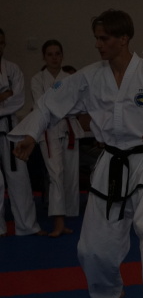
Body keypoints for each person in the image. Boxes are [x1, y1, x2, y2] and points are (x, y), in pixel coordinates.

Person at [10, 9, 143, 298]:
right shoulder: (89, 77)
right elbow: (51, 103)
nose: (97, 44)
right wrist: (30, 133)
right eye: (96, 38)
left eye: (103, 38)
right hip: (110, 163)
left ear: (123, 39)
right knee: (91, 249)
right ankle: (109, 290)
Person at [30, 40, 85, 237]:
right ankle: (58, 221)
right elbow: (41, 106)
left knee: (70, 177)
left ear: (62, 56)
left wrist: (57, 105)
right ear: (44, 57)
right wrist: (61, 105)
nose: (54, 58)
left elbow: (77, 104)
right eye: (50, 54)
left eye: (57, 54)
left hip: (70, 130)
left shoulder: (70, 78)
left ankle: (66, 218)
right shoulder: (37, 79)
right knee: (56, 175)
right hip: (49, 131)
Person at [0, 28, 45, 237]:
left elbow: (17, 100)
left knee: (19, 177)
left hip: (11, 128)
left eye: (1, 42)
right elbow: (9, 98)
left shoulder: (12, 69)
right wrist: (4, 95)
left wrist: (7, 98)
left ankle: (27, 226)